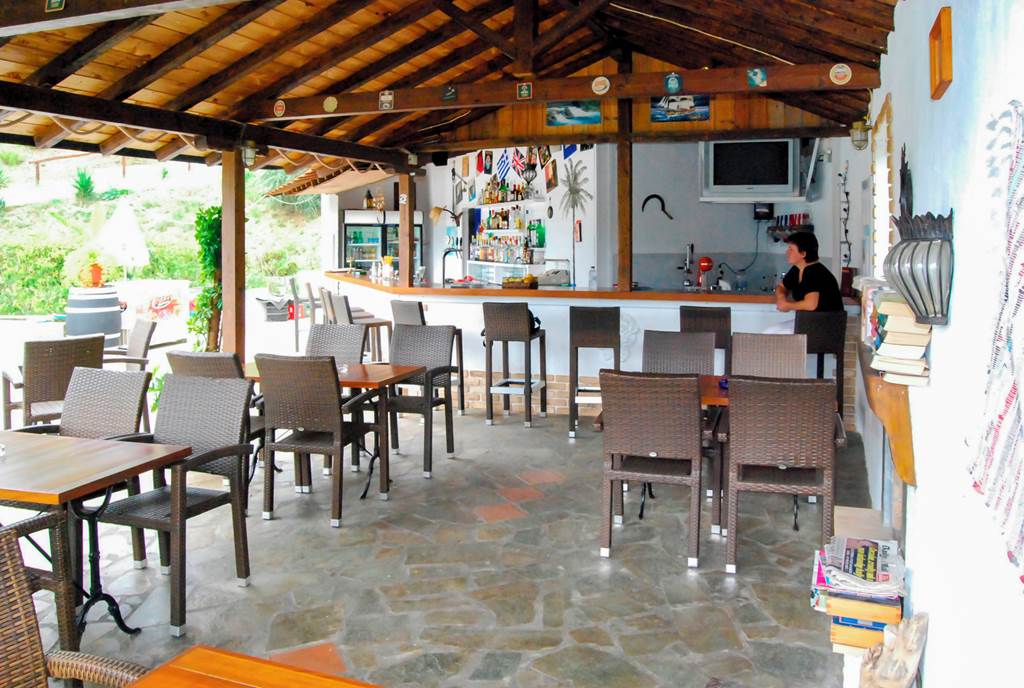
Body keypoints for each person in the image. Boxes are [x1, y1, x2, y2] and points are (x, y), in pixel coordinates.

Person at [775, 231, 843, 312]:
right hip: (810, 318)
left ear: (803, 254)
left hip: (827, 319)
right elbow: (781, 287)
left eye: (791, 249)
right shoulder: (797, 269)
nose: (787, 252)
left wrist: (787, 305)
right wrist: (781, 297)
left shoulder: (814, 272)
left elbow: (811, 305)